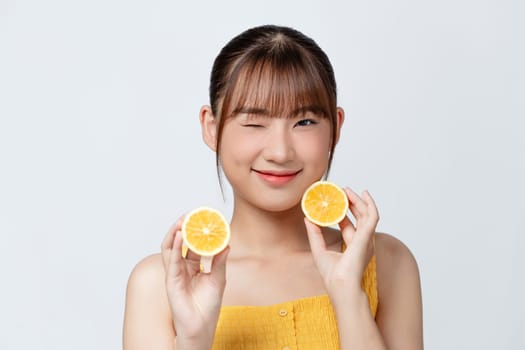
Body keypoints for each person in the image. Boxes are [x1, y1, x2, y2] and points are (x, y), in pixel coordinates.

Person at [123, 24, 423, 350]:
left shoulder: (388, 264)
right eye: (254, 122)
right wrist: (193, 338)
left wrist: (349, 294)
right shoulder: (162, 282)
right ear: (211, 128)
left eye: (304, 122)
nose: (280, 152)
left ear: (335, 127)